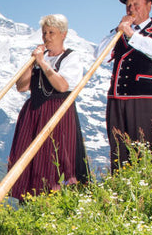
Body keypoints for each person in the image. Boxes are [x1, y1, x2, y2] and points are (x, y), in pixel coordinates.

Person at [8, 14, 90, 200]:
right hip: (35, 112)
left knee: (57, 155)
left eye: (52, 32)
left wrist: (43, 64)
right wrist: (31, 64)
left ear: (63, 34)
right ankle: (30, 197)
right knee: (31, 155)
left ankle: (57, 197)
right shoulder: (40, 58)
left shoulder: (71, 57)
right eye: (44, 33)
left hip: (58, 111)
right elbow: (22, 87)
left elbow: (62, 86)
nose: (47, 37)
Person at [99, 0, 152, 170]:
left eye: (136, 5)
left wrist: (131, 34)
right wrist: (117, 31)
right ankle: (119, 190)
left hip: (144, 98)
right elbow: (99, 55)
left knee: (142, 148)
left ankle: (143, 190)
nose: (131, 9)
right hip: (116, 98)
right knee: (118, 150)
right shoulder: (118, 32)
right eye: (128, 6)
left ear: (149, 5)